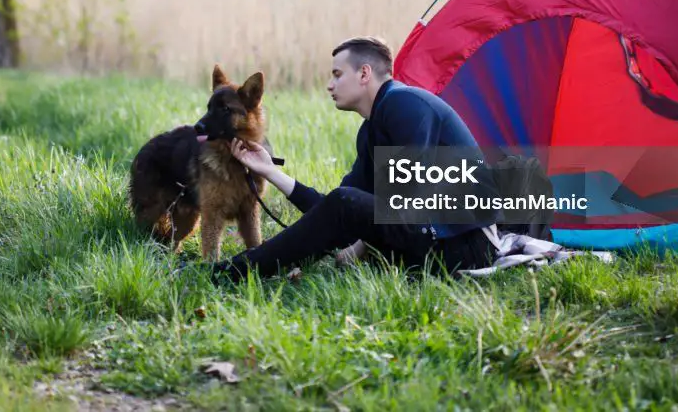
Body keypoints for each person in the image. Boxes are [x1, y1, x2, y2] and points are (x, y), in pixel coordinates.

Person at [209, 36, 496, 283]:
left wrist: (360, 246)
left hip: (466, 245)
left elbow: (410, 201)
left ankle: (233, 272)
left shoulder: (405, 105)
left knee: (346, 203)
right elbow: (333, 209)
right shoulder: (372, 128)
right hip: (432, 241)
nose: (329, 85)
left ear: (364, 74)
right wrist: (270, 171)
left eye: (337, 74)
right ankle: (238, 269)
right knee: (343, 202)